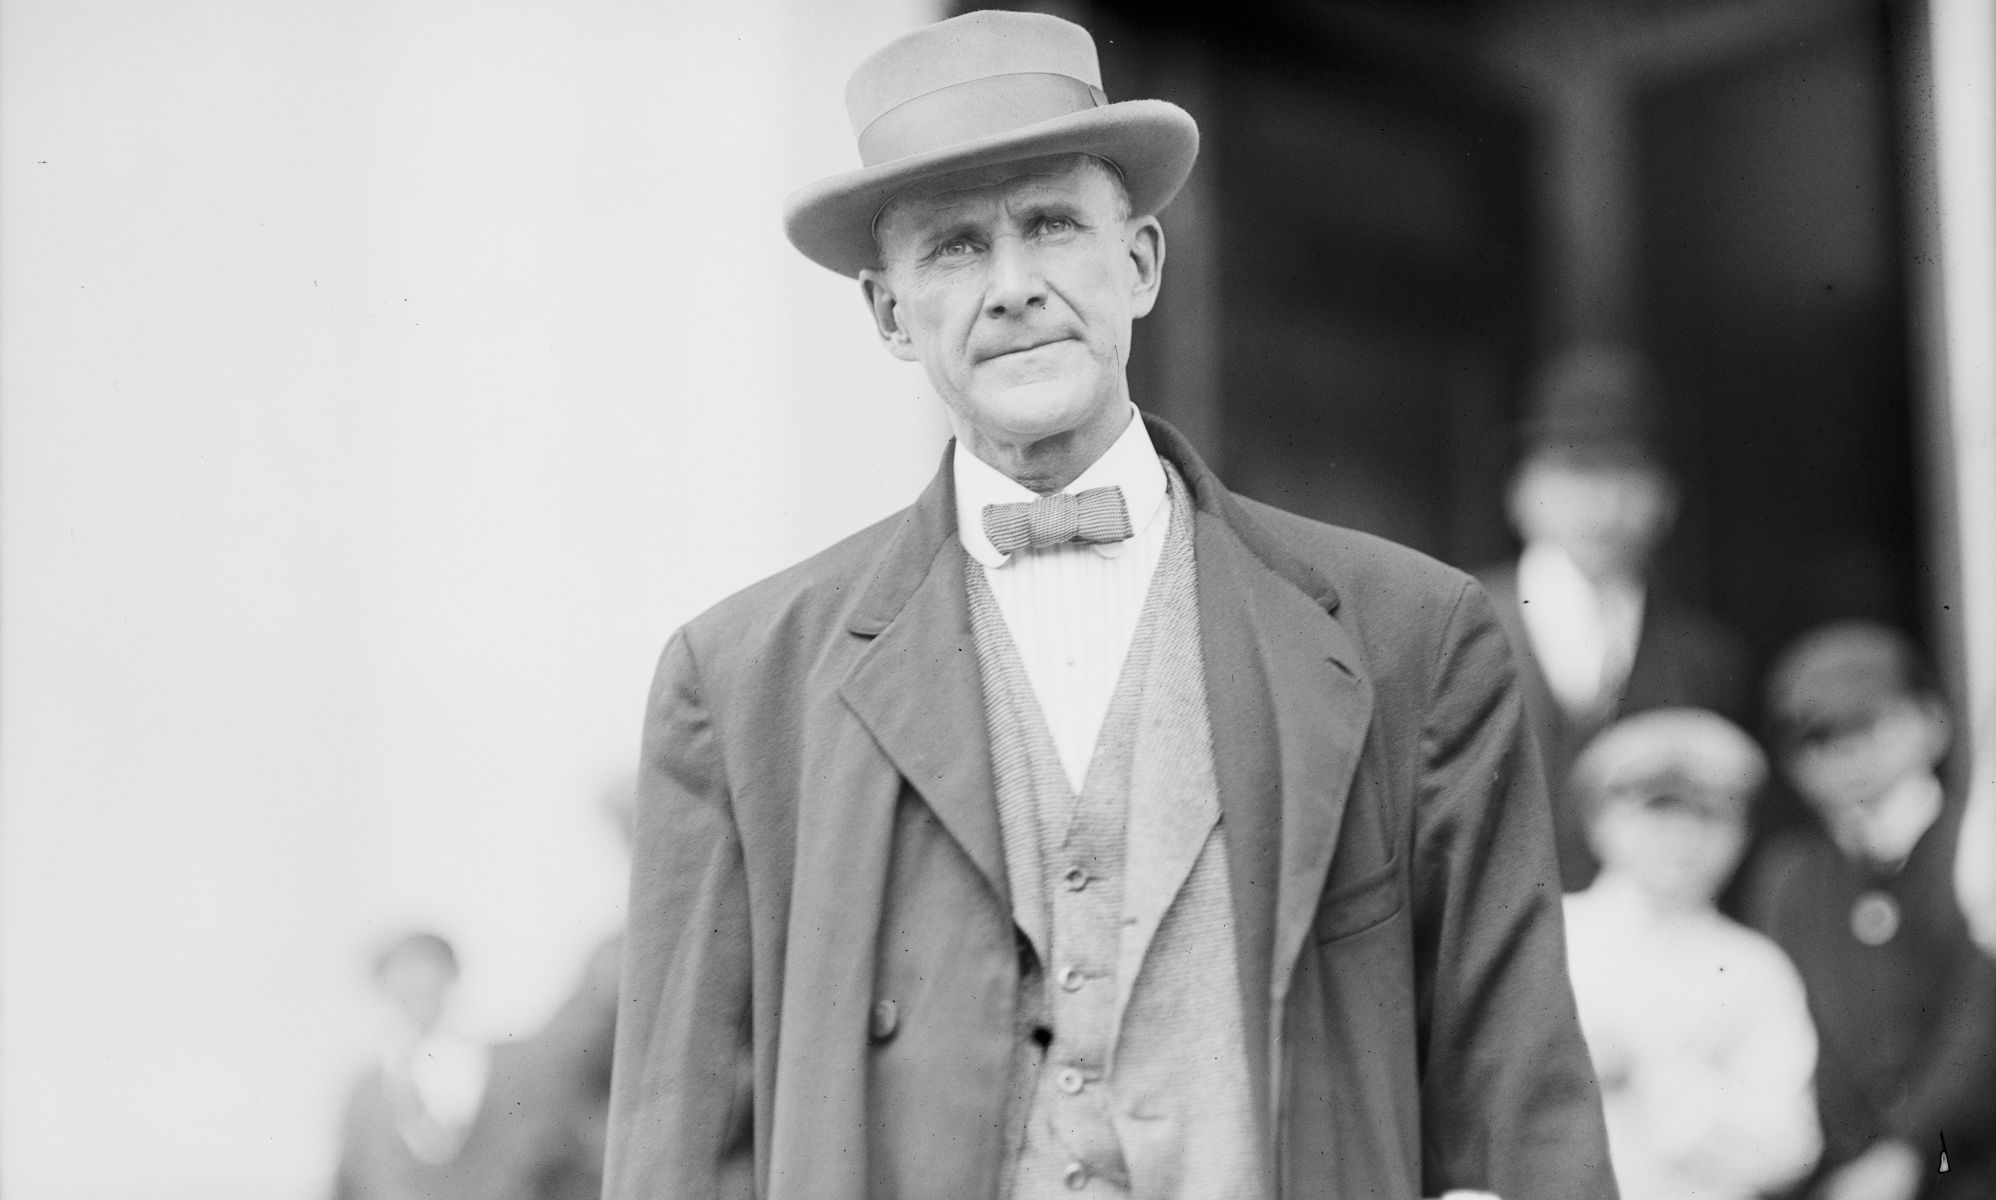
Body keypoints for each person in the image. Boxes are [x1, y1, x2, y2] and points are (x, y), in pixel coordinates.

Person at [606, 11, 1614, 1200]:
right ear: (888, 314)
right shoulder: (740, 684)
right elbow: (679, 1151)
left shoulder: (1410, 634)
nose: (1015, 287)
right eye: (953, 249)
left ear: (1138, 261)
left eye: (1049, 226)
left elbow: (1516, 1106)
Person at [1478, 344, 1750, 890]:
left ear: (1666, 499)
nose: (1602, 501)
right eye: (1576, 470)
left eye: (1626, 472)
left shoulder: (1704, 658)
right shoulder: (1460, 622)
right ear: (1523, 493)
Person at [1742, 622, 1996, 1200]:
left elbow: (1984, 1018)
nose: (1847, 755)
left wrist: (1908, 1147)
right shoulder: (1793, 875)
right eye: (1818, 738)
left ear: (1935, 722)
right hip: (1841, 1176)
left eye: (1871, 725)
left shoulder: (1979, 845)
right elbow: (1784, 1025)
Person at [1561, 709, 1820, 1200]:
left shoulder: (1755, 970)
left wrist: (1651, 1078)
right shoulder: (1552, 937)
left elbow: (1789, 1150)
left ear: (1741, 835)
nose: (1682, 837)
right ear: (1599, 820)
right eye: (1658, 809)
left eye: (1708, 815)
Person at [330, 931, 597, 1200]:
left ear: (451, 974)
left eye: (427, 971)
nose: (417, 987)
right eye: (403, 978)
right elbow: (348, 1186)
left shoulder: (512, 1068)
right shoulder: (366, 1096)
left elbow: (560, 1164)